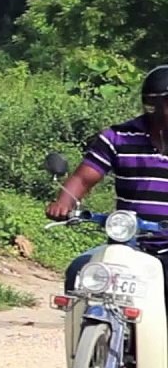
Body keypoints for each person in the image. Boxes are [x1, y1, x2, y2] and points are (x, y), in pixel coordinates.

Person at [47, 65, 168, 290]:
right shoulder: (119, 137)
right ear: (154, 106)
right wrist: (64, 202)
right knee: (78, 272)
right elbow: (83, 178)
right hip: (128, 244)